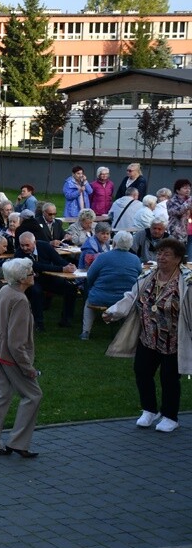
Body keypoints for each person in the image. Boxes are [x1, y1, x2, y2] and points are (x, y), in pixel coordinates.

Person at [104, 238, 190, 433]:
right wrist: (113, 311)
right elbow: (131, 297)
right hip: (148, 337)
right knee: (142, 372)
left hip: (173, 340)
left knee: (169, 378)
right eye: (159, 253)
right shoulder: (149, 276)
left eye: (166, 254)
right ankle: (149, 410)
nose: (161, 257)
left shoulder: (187, 280)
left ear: (178, 258)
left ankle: (170, 416)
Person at [0, 257, 42, 458]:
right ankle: (19, 442)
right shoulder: (20, 300)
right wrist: (28, 368)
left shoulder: (5, 291)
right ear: (23, 278)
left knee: (1, 394)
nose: (34, 275)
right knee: (33, 395)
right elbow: (16, 342)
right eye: (31, 273)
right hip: (10, 356)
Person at [81, 231, 142, 340]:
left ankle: (86, 331)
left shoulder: (103, 257)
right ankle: (126, 332)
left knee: (88, 302)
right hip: (126, 299)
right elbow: (139, 278)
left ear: (114, 243)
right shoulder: (135, 259)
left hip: (101, 296)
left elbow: (90, 276)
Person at [16, 232, 77, 330]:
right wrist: (62, 269)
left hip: (48, 278)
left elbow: (57, 259)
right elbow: (36, 265)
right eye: (22, 245)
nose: (24, 248)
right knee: (36, 292)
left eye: (27, 245)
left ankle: (66, 319)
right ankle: (38, 323)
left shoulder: (44, 246)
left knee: (71, 288)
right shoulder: (19, 254)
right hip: (31, 280)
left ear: (34, 242)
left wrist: (69, 265)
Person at [166, 178, 192, 260]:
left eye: (189, 188)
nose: (188, 190)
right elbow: (177, 212)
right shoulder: (171, 201)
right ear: (177, 190)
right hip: (176, 232)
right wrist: (188, 202)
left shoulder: (189, 200)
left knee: (187, 257)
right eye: (185, 188)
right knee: (176, 254)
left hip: (189, 231)